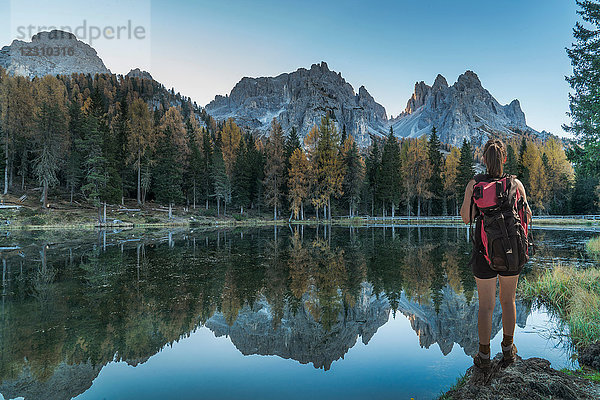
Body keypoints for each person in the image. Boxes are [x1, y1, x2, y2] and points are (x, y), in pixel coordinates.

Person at [459, 138, 532, 369]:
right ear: (505, 159)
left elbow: (466, 218)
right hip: (512, 251)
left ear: (483, 159)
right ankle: (509, 351)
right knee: (508, 300)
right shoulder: (516, 184)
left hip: (484, 251)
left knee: (486, 306)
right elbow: (527, 216)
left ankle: (483, 356)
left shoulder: (475, 184)